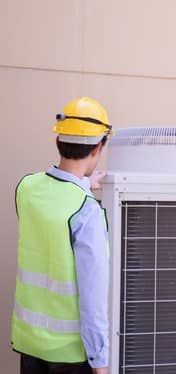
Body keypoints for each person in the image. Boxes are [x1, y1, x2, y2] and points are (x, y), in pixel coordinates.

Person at [11, 97, 113, 374]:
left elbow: (54, 210)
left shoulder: (27, 189)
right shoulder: (87, 211)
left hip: (30, 345)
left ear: (58, 141)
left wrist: (82, 184)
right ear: (98, 148)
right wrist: (100, 363)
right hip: (69, 357)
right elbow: (93, 299)